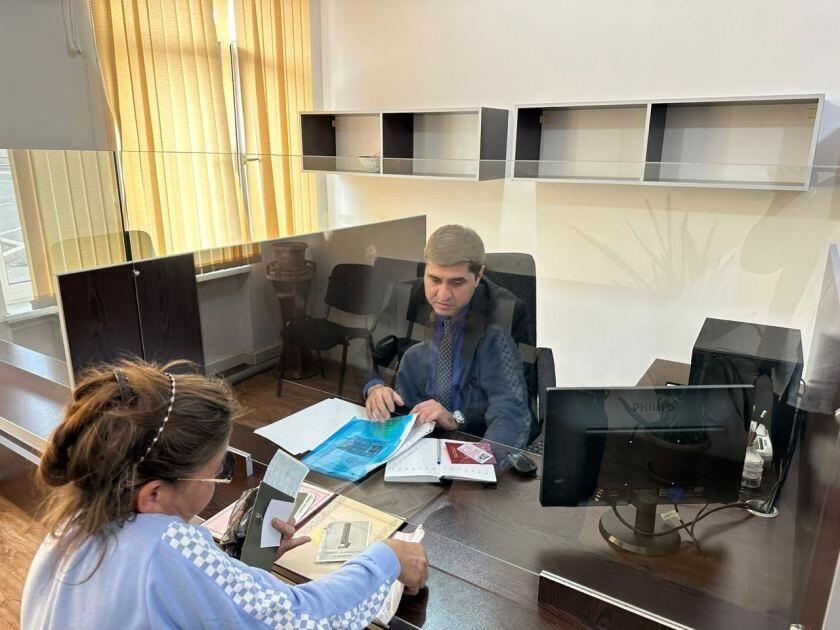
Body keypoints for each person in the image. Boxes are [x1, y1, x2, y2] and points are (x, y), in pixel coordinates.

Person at [22, 359, 428, 629]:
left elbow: (178, 597)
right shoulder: (168, 545)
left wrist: (238, 565)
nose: (221, 476)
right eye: (217, 471)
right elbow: (302, 620)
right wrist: (386, 559)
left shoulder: (68, 530)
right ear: (154, 495)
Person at [364, 225, 535, 448]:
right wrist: (374, 386)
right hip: (411, 430)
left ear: (478, 276)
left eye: (456, 282)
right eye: (434, 279)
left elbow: (515, 400)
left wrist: (456, 418)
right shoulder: (405, 295)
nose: (443, 295)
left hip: (471, 435)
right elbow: (366, 350)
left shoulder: (509, 312)